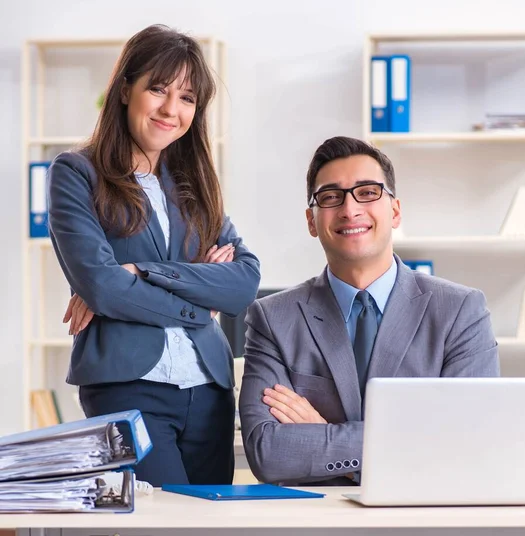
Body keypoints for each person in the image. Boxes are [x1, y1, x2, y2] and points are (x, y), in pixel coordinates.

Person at [47, 24, 260, 487]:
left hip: (209, 390)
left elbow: (243, 283)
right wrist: (198, 302)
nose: (171, 109)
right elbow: (103, 286)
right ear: (126, 89)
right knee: (160, 522)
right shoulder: (76, 173)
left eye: (186, 98)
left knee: (209, 523)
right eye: (158, 90)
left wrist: (141, 271)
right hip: (127, 387)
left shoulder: (195, 185)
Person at [239, 136, 499, 486]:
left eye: (367, 192)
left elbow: (469, 442)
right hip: (317, 521)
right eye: (331, 197)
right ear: (312, 221)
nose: (349, 209)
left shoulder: (460, 311)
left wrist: (324, 433)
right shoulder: (273, 318)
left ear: (394, 211)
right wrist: (409, 440)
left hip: (424, 517)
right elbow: (269, 454)